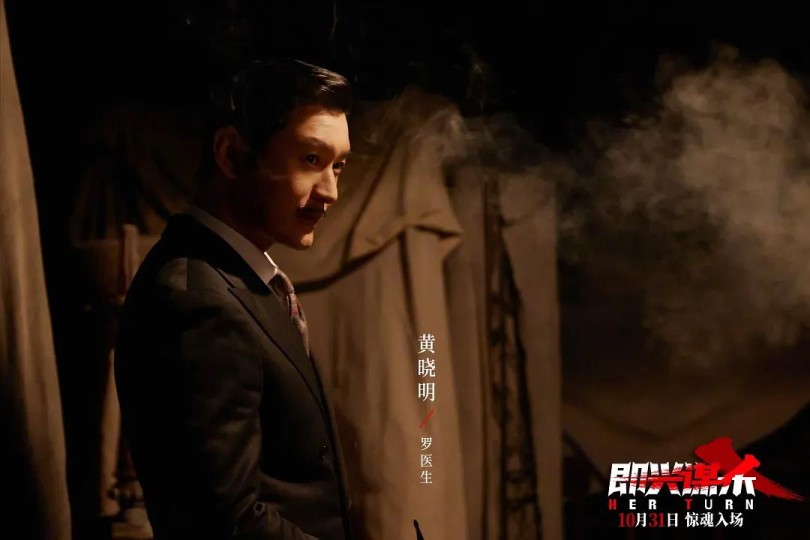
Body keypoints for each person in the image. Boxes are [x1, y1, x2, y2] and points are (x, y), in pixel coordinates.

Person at [114, 58, 353, 539]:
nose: (330, 191)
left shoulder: (237, 280)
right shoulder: (199, 303)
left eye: (339, 166)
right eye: (311, 159)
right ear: (231, 154)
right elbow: (226, 522)